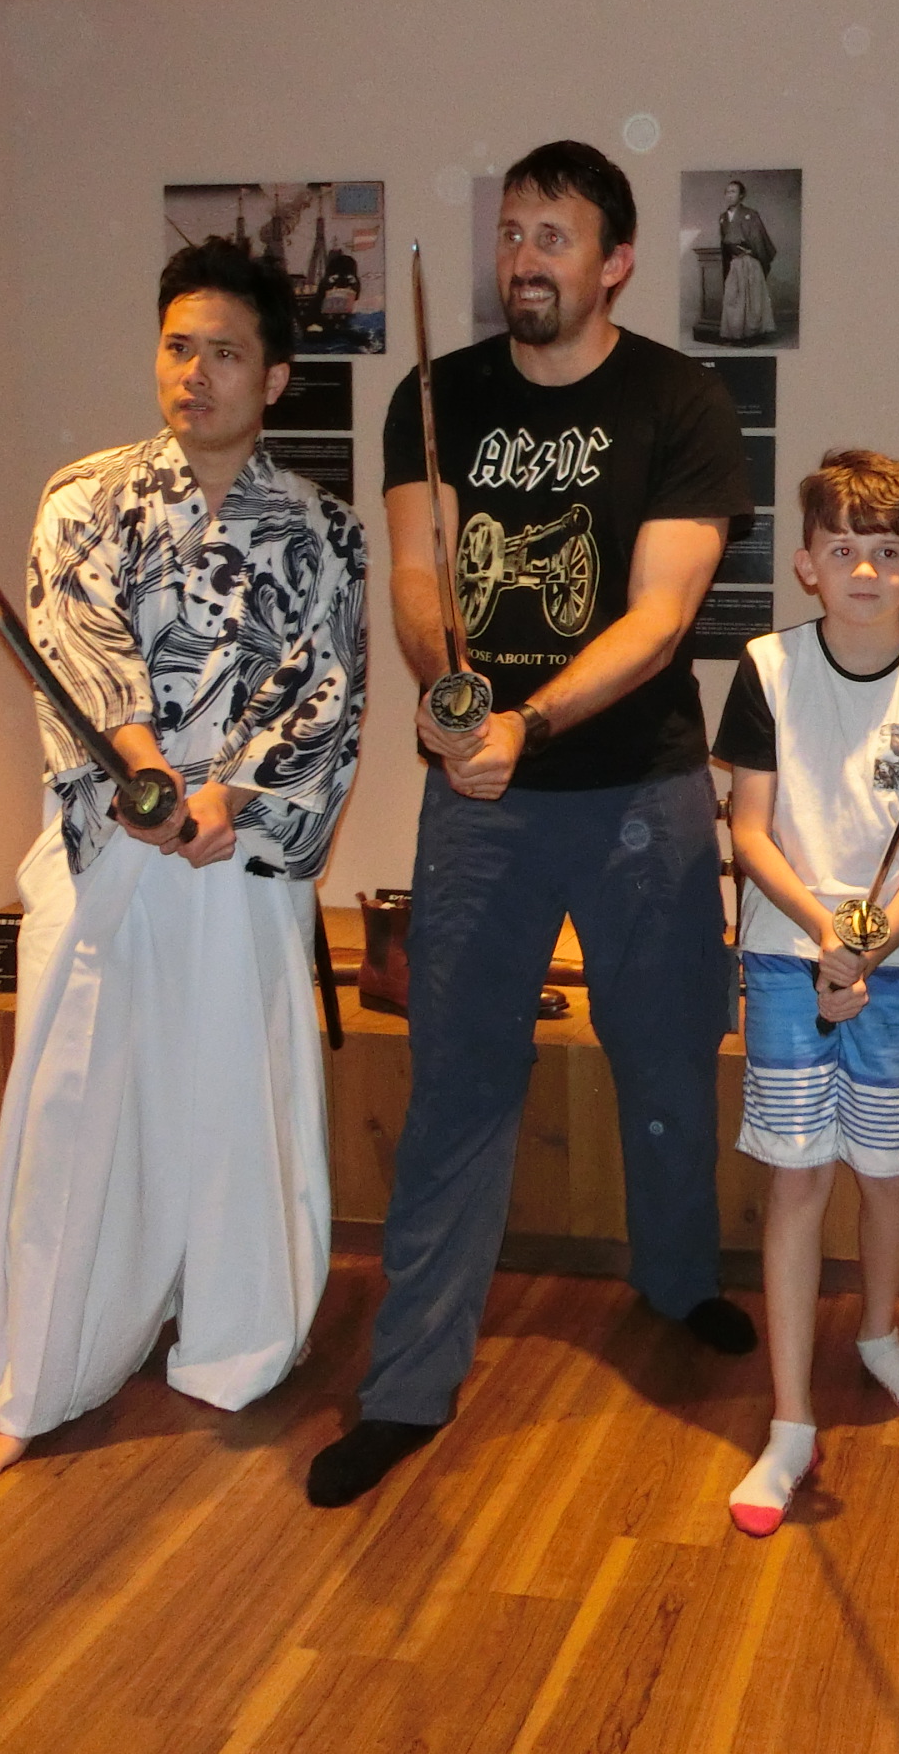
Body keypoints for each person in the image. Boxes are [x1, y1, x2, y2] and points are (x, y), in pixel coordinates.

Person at [306, 140, 756, 1507]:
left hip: (639, 792)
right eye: (510, 232)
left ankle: (675, 1280)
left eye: (553, 237)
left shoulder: (681, 401)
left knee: (665, 1059)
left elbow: (661, 615)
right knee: (458, 1079)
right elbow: (419, 569)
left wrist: (527, 724)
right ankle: (406, 1385)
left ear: (615, 261)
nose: (523, 259)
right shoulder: (434, 394)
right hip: (480, 804)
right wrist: (450, 693)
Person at [0, 236, 368, 1484]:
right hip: (111, 838)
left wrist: (224, 798)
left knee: (236, 1100)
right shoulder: (83, 497)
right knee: (76, 1101)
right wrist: (143, 776)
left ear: (275, 377)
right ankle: (47, 1370)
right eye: (177, 347)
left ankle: (235, 1337)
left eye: (225, 353)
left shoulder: (323, 530)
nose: (195, 373)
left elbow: (325, 693)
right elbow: (72, 645)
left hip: (238, 851)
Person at [712, 449, 899, 1536]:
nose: (864, 572)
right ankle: (790, 1420)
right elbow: (748, 830)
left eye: (886, 552)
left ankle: (877, 1332)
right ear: (806, 565)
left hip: (896, 960)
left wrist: (870, 947)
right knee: (797, 1176)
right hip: (788, 951)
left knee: (883, 1166)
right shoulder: (766, 668)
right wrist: (827, 932)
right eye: (842, 551)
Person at [715, 179, 776, 344]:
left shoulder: (750, 215)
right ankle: (735, 334)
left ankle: (752, 335)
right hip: (734, 262)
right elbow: (724, 243)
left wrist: (754, 255)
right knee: (733, 297)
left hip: (750, 261)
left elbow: (759, 241)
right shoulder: (723, 218)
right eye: (727, 192)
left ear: (741, 195)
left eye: (733, 191)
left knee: (752, 299)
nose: (729, 195)